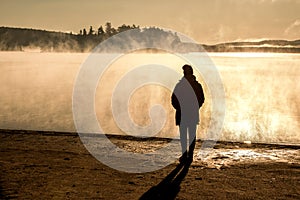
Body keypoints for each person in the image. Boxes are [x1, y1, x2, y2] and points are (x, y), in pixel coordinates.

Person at [171, 64, 205, 163]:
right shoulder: (194, 85)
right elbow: (201, 99)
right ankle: (187, 155)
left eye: (186, 72)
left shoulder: (181, 85)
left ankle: (187, 155)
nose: (185, 74)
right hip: (188, 114)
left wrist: (181, 109)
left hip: (185, 114)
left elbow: (173, 100)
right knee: (189, 135)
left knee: (187, 136)